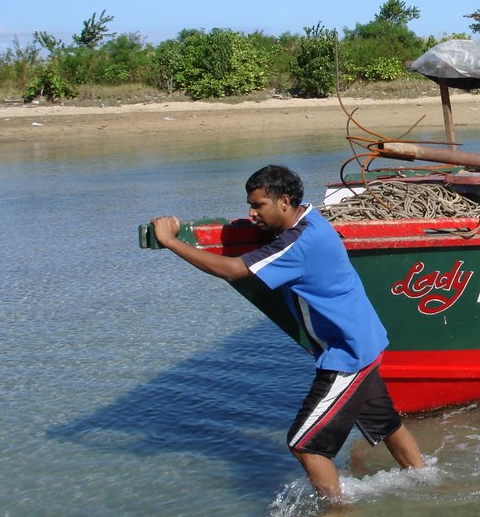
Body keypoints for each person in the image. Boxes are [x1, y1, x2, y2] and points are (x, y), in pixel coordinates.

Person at [151, 164, 425, 504]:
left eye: (258, 206)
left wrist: (171, 241)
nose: (251, 213)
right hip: (367, 342)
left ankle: (339, 511)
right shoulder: (309, 220)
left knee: (304, 444)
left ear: (283, 202)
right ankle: (426, 480)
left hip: (348, 355)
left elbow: (233, 271)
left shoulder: (298, 243)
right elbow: (270, 244)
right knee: (385, 424)